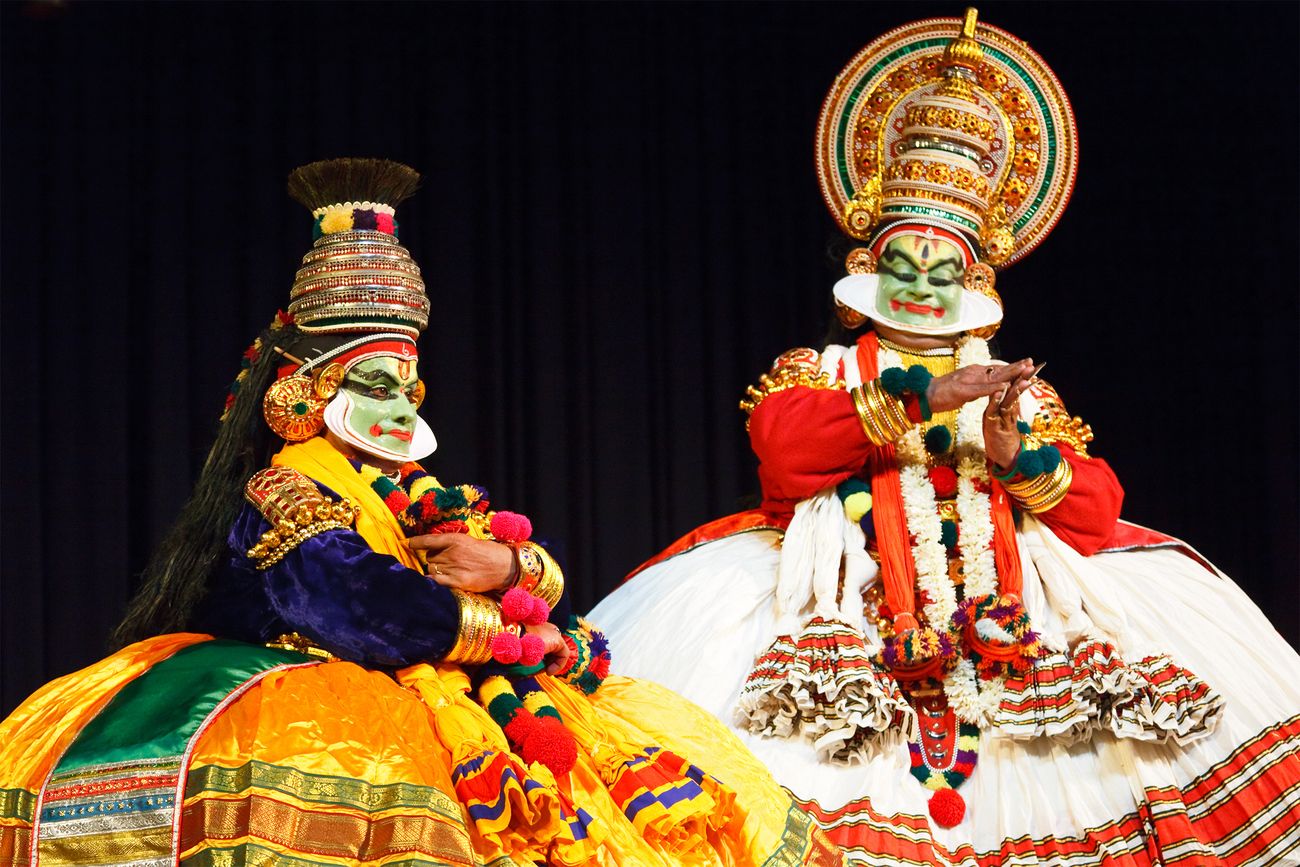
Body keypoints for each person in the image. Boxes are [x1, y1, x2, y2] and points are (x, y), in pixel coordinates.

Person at [589, 10, 1300, 865]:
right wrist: (926, 393)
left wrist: (1016, 454)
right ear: (867, 268)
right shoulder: (820, 369)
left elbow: (1098, 511)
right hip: (842, 607)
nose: (923, 285)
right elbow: (784, 459)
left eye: (943, 270)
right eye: (904, 266)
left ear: (975, 278)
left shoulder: (1017, 389)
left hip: (1018, 618)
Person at [0, 158, 841, 866]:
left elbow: (529, 574)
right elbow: (358, 604)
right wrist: (510, 631)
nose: (401, 406)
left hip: (449, 686)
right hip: (320, 698)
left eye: (408, 387)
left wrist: (513, 569)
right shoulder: (285, 489)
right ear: (312, 391)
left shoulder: (420, 495)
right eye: (375, 385)